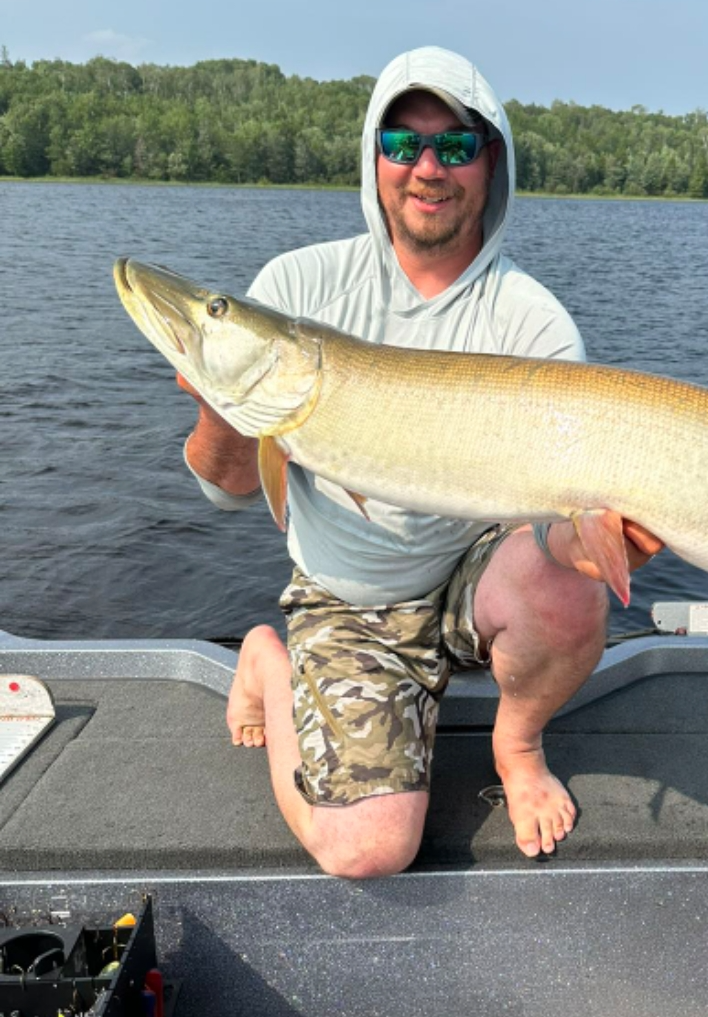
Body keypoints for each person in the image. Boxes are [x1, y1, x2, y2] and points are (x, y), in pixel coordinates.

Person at [180, 46, 661, 878]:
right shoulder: (296, 287)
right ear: (375, 159)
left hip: (471, 575)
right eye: (403, 145)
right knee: (366, 851)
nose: (427, 168)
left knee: (572, 575)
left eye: (455, 145)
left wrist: (594, 540)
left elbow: (553, 526)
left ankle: (516, 745)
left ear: (491, 161)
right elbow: (226, 485)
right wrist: (224, 402)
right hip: (350, 596)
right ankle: (268, 660)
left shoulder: (534, 323)